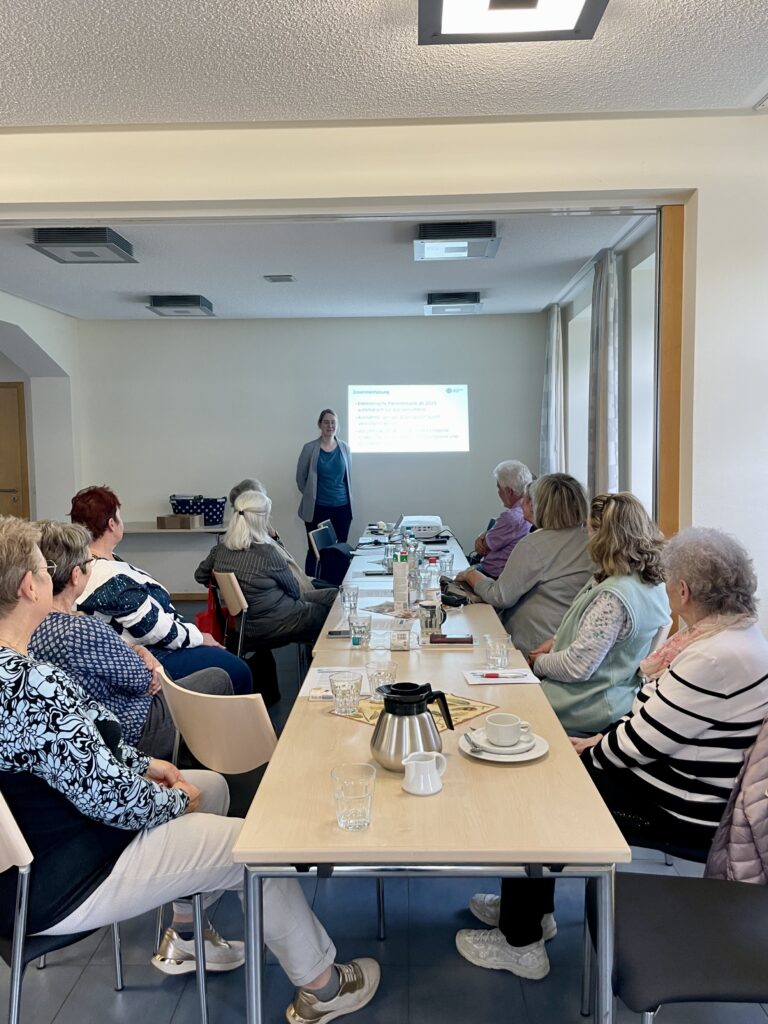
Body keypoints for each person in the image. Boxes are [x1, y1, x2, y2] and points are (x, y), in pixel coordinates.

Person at [0, 516, 380, 1021]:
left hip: (42, 856)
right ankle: (323, 987)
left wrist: (145, 764)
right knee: (250, 847)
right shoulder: (31, 686)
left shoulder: (18, 670)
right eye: (43, 569)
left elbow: (82, 750)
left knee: (213, 787)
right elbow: (113, 799)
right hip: (67, 876)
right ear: (29, 587)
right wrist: (176, 799)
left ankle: (185, 936)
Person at [458, 527, 768, 982]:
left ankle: (521, 942)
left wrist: (585, 752)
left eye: (671, 582)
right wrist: (590, 745)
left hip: (677, 809)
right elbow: (650, 727)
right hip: (685, 787)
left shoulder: (713, 658)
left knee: (538, 788)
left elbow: (639, 744)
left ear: (683, 590)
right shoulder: (740, 637)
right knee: (554, 767)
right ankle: (532, 910)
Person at [29, 520, 234, 761]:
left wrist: (136, 648)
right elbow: (146, 681)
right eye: (89, 562)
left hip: (86, 729)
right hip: (132, 729)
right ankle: (219, 765)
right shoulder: (83, 629)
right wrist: (143, 657)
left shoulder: (32, 621)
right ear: (76, 575)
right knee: (218, 678)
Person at [69, 486, 252, 696]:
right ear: (112, 524)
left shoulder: (96, 564)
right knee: (238, 671)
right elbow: (152, 629)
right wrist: (199, 637)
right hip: (151, 654)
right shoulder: (107, 575)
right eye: (120, 516)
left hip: (153, 644)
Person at [528, 491, 670, 736]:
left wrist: (538, 663)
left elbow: (577, 667)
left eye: (589, 530)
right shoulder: (652, 585)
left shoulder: (613, 597)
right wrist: (557, 642)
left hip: (582, 707)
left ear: (602, 536)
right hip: (619, 696)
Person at [455, 474, 593, 657]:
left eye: (526, 499)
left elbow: (500, 596)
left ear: (536, 506)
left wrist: (470, 574)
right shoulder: (591, 540)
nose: (521, 504)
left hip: (532, 646)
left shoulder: (534, 545)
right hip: (570, 641)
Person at [196, 489, 337, 648]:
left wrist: (226, 585)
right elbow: (295, 593)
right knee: (331, 608)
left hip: (245, 625)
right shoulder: (267, 553)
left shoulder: (219, 551)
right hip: (277, 622)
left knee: (334, 595)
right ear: (261, 520)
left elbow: (200, 576)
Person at [296, 408, 352, 573]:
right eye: (326, 422)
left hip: (342, 508)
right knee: (315, 551)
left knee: (339, 550)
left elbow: (347, 477)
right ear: (320, 425)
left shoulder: (345, 448)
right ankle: (311, 585)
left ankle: (336, 584)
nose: (330, 426)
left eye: (333, 422)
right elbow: (300, 478)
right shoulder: (309, 448)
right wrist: (311, 496)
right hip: (318, 509)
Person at [470, 460, 533, 578]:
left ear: (509, 491)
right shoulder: (528, 510)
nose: (498, 493)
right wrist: (484, 535)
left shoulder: (511, 517)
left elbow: (483, 547)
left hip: (493, 574)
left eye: (499, 489)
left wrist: (482, 537)